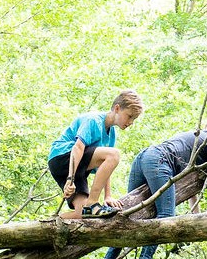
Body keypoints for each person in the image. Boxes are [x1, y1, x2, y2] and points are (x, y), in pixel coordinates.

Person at [100, 113, 207, 259]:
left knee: (129, 215)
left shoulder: (194, 136)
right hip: (158, 161)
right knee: (166, 215)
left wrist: (196, 212)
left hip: (144, 157)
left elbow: (188, 180)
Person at [48, 90, 143, 218]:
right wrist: (70, 179)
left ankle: (47, 225)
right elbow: (78, 148)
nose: (131, 122)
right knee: (114, 154)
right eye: (129, 116)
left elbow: (105, 167)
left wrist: (107, 196)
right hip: (63, 157)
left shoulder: (111, 134)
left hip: (77, 169)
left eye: (134, 119)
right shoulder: (93, 120)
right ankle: (92, 203)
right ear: (117, 108)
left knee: (80, 214)